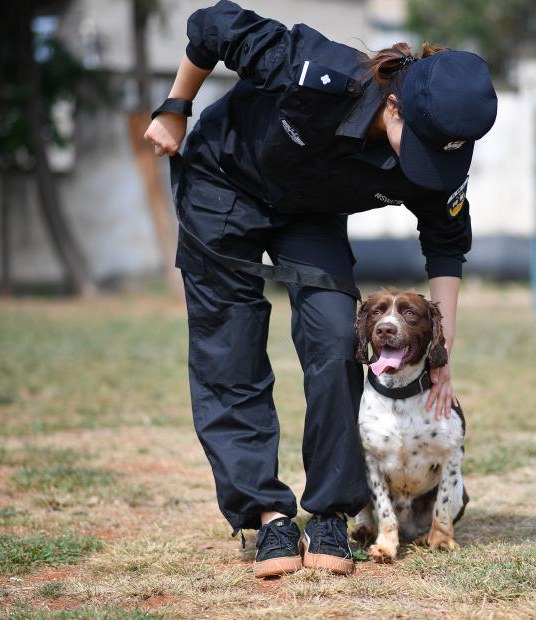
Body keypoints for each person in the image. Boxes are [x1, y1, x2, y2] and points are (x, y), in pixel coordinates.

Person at [143, 0, 497, 579]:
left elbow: (446, 239)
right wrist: (177, 106)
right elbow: (213, 24)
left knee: (338, 339)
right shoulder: (315, 69)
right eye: (423, 151)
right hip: (224, 179)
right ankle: (266, 513)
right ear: (392, 105)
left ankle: (331, 509)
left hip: (311, 213)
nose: (428, 169)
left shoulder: (445, 145)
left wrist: (440, 353)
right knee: (228, 348)